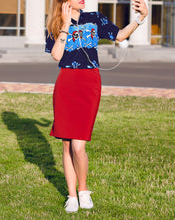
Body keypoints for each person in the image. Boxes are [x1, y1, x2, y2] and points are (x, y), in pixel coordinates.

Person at [45, 0, 148, 213]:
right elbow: (56, 55)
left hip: (89, 83)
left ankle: (83, 190)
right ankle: (72, 196)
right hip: (66, 83)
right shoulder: (54, 24)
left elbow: (120, 35)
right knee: (66, 144)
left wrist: (140, 18)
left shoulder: (95, 18)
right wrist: (65, 25)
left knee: (78, 146)